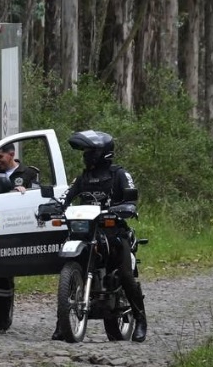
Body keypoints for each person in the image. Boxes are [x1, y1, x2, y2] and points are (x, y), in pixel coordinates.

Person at [51, 129, 148, 342]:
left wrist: (126, 207)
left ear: (101, 153)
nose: (85, 155)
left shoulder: (119, 174)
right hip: (86, 231)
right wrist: (53, 206)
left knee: (124, 274)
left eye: (88, 151)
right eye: (84, 151)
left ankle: (140, 320)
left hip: (113, 232)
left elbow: (131, 198)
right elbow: (66, 196)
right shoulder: (83, 177)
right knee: (71, 263)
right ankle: (63, 323)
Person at [0, 142, 40, 334]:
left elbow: (38, 197)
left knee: (3, 278)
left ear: (11, 155)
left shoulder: (28, 174)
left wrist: (25, 194)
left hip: (13, 230)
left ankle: (1, 321)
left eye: (0, 157)